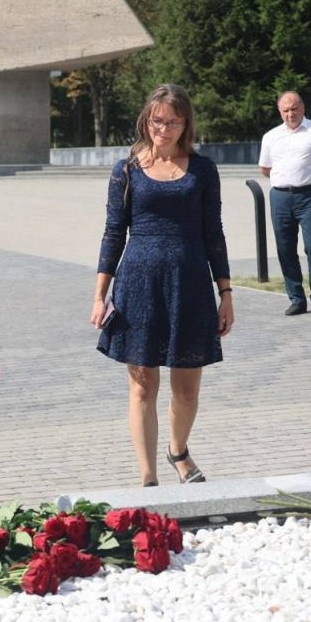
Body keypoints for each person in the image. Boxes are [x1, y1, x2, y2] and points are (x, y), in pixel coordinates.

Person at [90, 84, 234, 488]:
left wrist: (226, 293)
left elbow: (214, 232)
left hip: (189, 283)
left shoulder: (203, 169)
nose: (164, 128)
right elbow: (113, 232)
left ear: (185, 123)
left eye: (172, 121)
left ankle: (178, 450)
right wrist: (100, 294)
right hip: (138, 285)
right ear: (146, 120)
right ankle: (148, 477)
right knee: (141, 386)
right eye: (157, 120)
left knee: (186, 390)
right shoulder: (126, 170)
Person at [258, 91, 311, 317]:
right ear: (280, 111)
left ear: (303, 107)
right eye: (285, 110)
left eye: (294, 108)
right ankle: (296, 298)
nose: (290, 114)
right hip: (280, 197)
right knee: (285, 248)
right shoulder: (270, 136)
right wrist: (287, 181)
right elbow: (266, 169)